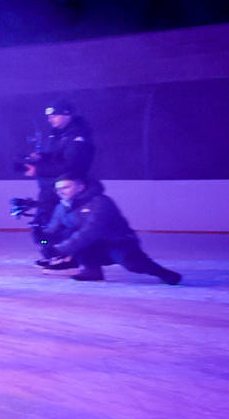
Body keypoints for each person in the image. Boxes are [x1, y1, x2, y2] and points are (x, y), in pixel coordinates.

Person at [43, 175, 182, 284]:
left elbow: (91, 231)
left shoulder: (100, 202)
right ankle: (92, 270)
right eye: (58, 189)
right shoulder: (62, 207)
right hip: (92, 246)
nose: (60, 192)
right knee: (68, 232)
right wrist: (43, 240)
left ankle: (165, 274)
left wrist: (60, 249)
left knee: (133, 264)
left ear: (80, 187)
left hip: (118, 242)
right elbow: (53, 231)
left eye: (66, 187)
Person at [21, 98, 95, 265]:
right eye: (49, 116)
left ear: (67, 115)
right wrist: (41, 157)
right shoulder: (58, 135)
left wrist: (38, 170)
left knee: (61, 226)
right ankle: (52, 253)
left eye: (54, 115)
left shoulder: (77, 137)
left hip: (66, 189)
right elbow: (57, 156)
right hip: (50, 189)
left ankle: (68, 256)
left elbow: (70, 165)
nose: (50, 119)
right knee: (42, 227)